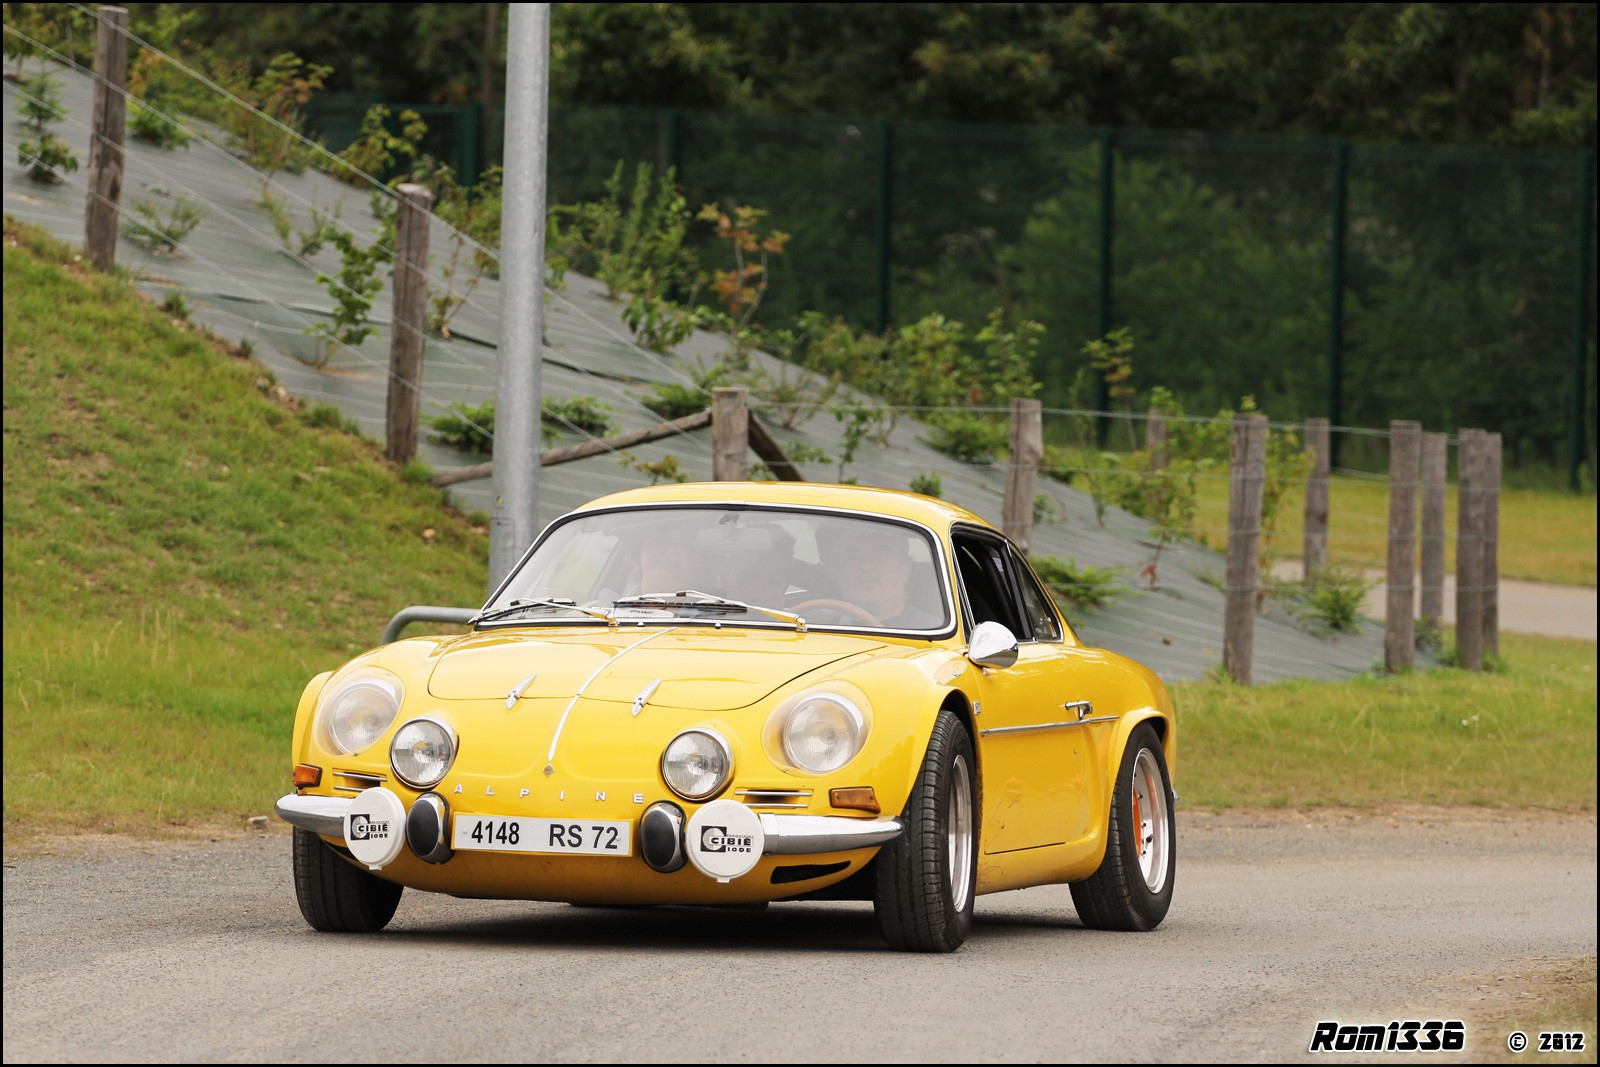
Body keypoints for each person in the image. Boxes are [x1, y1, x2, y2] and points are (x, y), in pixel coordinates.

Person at [814, 521, 927, 627]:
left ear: (905, 567)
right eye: (853, 556)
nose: (866, 566)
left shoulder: (928, 630)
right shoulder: (811, 627)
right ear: (833, 571)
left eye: (881, 554)